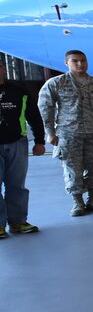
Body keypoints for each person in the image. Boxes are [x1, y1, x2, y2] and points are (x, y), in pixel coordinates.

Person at [38, 50, 93, 216]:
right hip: (68, 134)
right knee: (73, 168)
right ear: (66, 63)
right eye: (75, 61)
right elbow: (46, 108)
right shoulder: (56, 83)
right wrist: (50, 132)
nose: (80, 64)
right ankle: (78, 202)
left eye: (83, 61)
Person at [0, 65, 46, 237]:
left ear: (3, 69)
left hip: (17, 144)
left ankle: (18, 222)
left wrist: (39, 141)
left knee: (16, 186)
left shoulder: (19, 91)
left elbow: (34, 116)